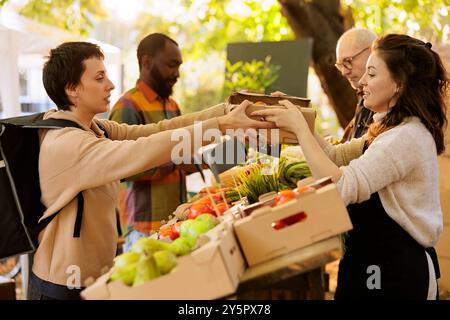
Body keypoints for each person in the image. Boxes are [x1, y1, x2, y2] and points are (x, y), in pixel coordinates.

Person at [28, 41, 273, 300]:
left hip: (94, 278)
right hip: (62, 286)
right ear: (72, 89)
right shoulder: (67, 144)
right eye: (99, 78)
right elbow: (143, 151)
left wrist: (226, 112)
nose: (110, 84)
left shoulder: (95, 128)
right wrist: (221, 126)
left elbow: (158, 131)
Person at [253, 34, 447, 299]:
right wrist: (300, 121)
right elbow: (335, 156)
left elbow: (340, 186)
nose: (363, 82)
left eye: (372, 73)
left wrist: (299, 130)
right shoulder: (391, 129)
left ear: (399, 84)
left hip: (396, 272)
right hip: (370, 260)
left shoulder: (404, 138)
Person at [108, 33, 186, 252]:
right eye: (171, 65)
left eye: (178, 66)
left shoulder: (173, 105)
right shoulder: (127, 106)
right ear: (146, 62)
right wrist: (175, 161)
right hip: (144, 228)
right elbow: (123, 169)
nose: (176, 73)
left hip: (176, 220)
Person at [335, 28, 377, 142]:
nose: (344, 72)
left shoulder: (387, 103)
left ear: (372, 51)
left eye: (348, 61)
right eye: (340, 65)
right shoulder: (363, 96)